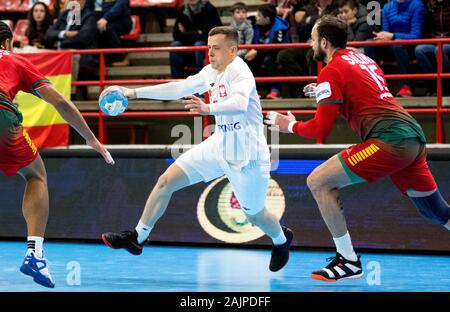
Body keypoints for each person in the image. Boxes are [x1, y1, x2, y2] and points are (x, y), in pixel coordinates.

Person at [266, 15, 450, 282]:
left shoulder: (330, 70)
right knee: (436, 212)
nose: (310, 43)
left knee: (318, 181)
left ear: (324, 42)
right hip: (411, 136)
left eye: (313, 38)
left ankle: (348, 260)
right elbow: (363, 94)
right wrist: (323, 91)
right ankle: (348, 260)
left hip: (390, 141)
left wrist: (289, 125)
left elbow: (320, 129)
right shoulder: (364, 59)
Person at [101, 26, 294, 272]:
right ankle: (137, 238)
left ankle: (281, 239)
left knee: (255, 215)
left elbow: (240, 102)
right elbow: (179, 87)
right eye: (209, 47)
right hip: (220, 143)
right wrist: (133, 92)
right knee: (165, 181)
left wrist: (208, 109)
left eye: (216, 48)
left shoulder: (239, 70)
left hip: (248, 155)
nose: (210, 53)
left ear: (233, 50)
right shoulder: (210, 71)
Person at [0, 21, 114, 288]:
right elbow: (61, 102)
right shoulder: (14, 60)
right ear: (7, 43)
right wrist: (91, 138)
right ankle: (34, 255)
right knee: (35, 175)